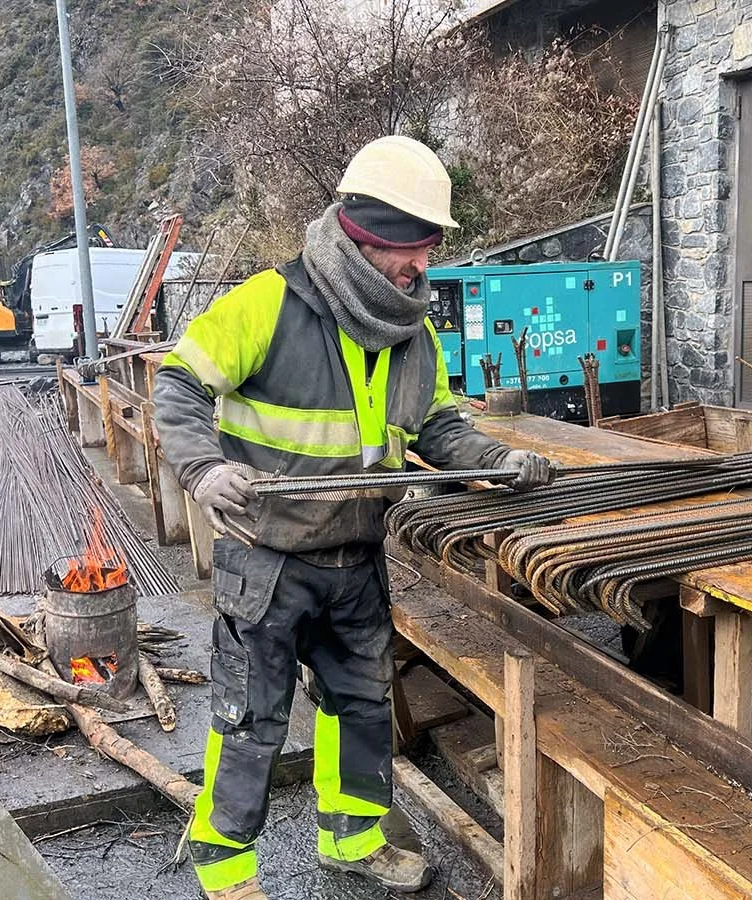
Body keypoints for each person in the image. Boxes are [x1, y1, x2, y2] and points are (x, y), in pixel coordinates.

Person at [153, 135, 554, 900]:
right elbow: (178, 386)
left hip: (356, 559)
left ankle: (354, 841)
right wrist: (204, 469)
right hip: (266, 560)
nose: (422, 269)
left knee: (361, 710)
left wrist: (496, 460)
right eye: (413, 252)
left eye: (430, 251)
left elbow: (436, 425)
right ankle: (227, 873)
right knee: (251, 721)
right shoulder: (267, 304)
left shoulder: (412, 333)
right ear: (365, 237)